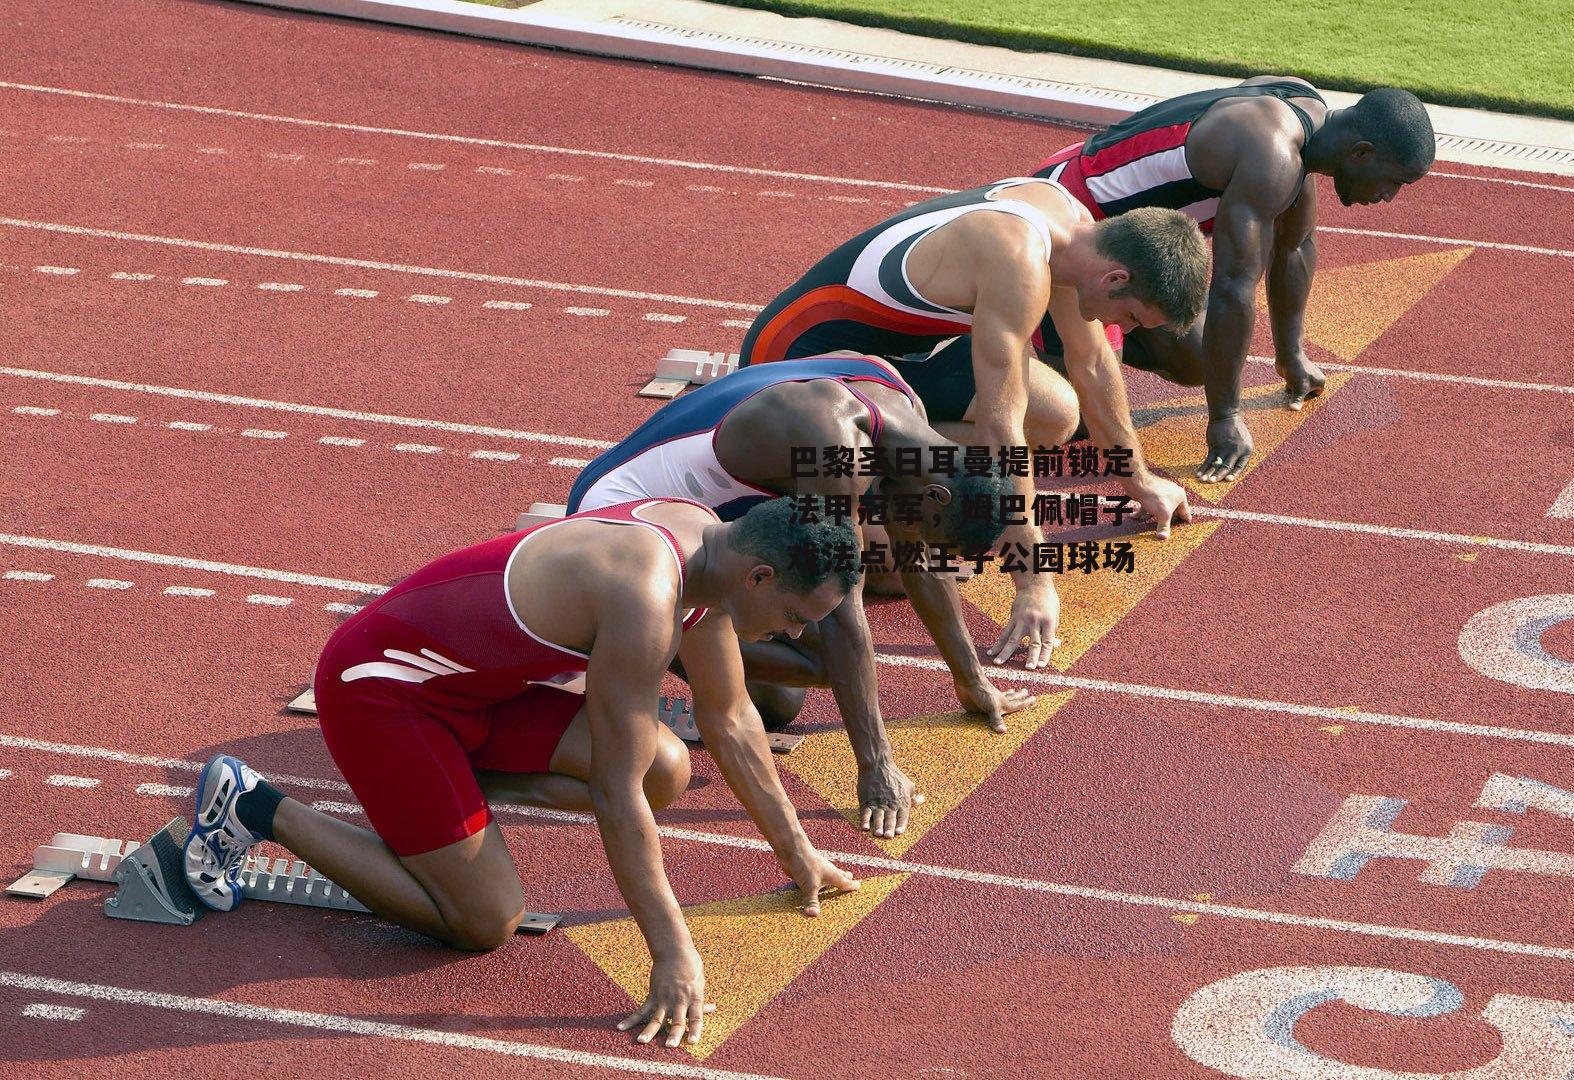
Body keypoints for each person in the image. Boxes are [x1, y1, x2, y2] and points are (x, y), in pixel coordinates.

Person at [182, 496, 862, 1050]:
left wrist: (797, 854)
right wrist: (672, 953)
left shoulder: (708, 549)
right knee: (485, 920)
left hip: (473, 695)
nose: (797, 636)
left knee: (667, 767)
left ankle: (436, 808)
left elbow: (734, 718)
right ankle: (255, 806)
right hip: (382, 692)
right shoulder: (646, 596)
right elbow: (613, 793)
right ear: (760, 578)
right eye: (798, 619)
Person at [739, 176, 1209, 666]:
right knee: (890, 568)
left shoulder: (1077, 233)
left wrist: (1137, 479)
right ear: (1115, 279)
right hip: (793, 361)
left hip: (890, 355)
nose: (1124, 331)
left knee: (1055, 413)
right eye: (1131, 317)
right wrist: (1034, 581)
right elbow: (1000, 434)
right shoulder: (1019, 259)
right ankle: (872, 476)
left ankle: (891, 463)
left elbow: (1091, 362)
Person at [567, 352, 1036, 839]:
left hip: (692, 517)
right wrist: (876, 767)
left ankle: (678, 645)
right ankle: (642, 648)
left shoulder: (904, 413)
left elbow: (915, 556)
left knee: (788, 696)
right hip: (618, 517)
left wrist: (972, 680)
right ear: (936, 496)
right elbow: (841, 612)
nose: (911, 543)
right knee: (817, 668)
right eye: (927, 531)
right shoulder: (836, 453)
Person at [1034, 82, 1435, 482]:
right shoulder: (1272, 155)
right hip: (1071, 219)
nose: (1388, 197)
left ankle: (1081, 338)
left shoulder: (1305, 115)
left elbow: (1294, 245)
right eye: (1393, 182)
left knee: (1197, 355)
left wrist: (1291, 355)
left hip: (1114, 234)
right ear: (1361, 153)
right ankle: (1018, 338)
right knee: (1075, 418)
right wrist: (1225, 417)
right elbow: (1232, 286)